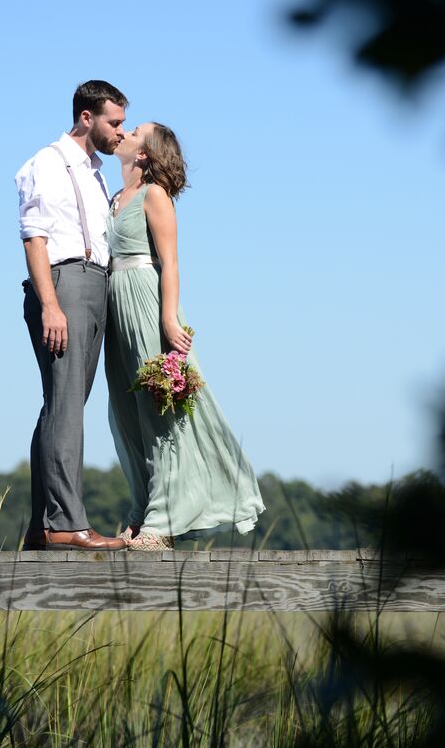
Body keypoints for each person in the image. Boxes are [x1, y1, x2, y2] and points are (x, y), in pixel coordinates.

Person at [105, 123, 265, 550]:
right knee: (126, 411)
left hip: (145, 302)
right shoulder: (114, 197)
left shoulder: (153, 196)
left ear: (144, 153)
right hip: (115, 307)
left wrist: (170, 320)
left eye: (134, 131)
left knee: (159, 412)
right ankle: (142, 512)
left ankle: (162, 522)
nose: (124, 132)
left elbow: (171, 263)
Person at [15, 80, 129, 551]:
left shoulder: (97, 171)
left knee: (62, 410)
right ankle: (65, 523)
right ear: (87, 117)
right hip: (65, 285)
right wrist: (51, 305)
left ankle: (44, 525)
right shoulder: (46, 162)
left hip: (94, 285)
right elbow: (34, 237)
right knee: (64, 409)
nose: (120, 132)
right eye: (114, 122)